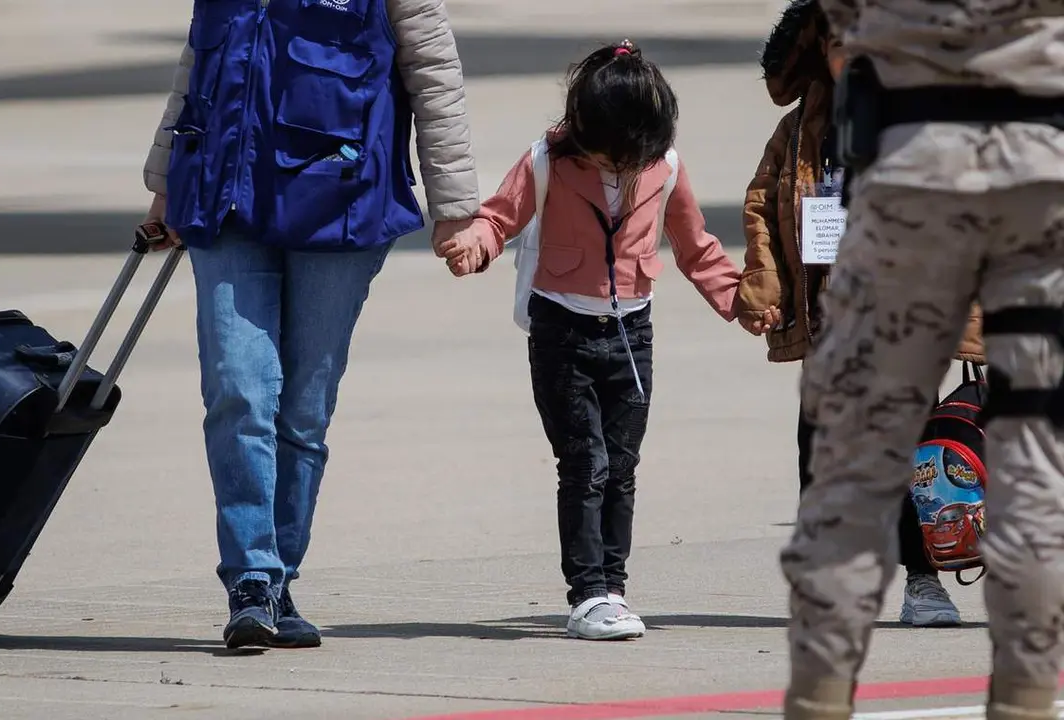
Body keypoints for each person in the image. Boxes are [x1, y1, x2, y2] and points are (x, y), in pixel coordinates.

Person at [138, 0, 483, 650]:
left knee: (302, 408)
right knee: (238, 386)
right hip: (224, 196)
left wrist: (455, 205)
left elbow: (433, 67)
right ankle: (252, 580)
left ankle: (279, 577)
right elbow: (198, 60)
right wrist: (166, 179)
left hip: (341, 197)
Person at [778, 0, 1064, 717]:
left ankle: (819, 694)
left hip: (912, 167)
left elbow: (819, 32)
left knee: (851, 457)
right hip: (1037, 167)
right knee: (1032, 454)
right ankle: (1027, 695)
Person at [446, 40, 746, 640]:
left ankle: (613, 589)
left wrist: (739, 300)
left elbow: (695, 246)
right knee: (585, 463)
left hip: (633, 333)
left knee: (623, 467)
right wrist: (475, 243)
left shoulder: (665, 168)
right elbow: (499, 216)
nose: (624, 167)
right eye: (614, 155)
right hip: (562, 329)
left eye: (637, 154)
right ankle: (587, 595)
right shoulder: (546, 161)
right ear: (584, 132)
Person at [735, 0, 986, 628]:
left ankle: (922, 583)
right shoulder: (798, 132)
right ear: (821, 51)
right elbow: (763, 204)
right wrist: (765, 285)